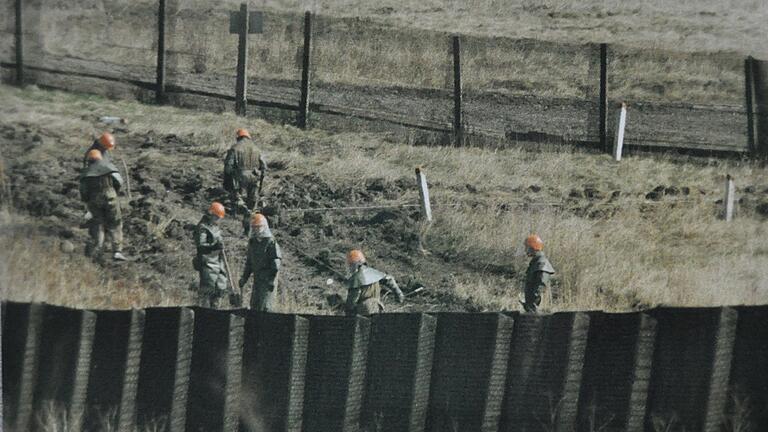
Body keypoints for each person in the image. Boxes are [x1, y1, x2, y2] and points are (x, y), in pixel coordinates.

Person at [79, 149, 126, 260]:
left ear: (90, 160)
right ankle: (117, 251)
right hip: (111, 196)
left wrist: (87, 201)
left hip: (95, 199)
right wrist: (114, 192)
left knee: (98, 224)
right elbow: (119, 181)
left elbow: (83, 190)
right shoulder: (109, 167)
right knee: (115, 223)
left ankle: (97, 248)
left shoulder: (86, 172)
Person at [223, 128, 267, 235]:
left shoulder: (235, 148)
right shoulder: (257, 149)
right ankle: (248, 227)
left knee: (239, 200)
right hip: (255, 178)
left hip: (240, 178)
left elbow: (228, 168)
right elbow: (264, 167)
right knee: (252, 204)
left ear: (238, 137)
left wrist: (229, 179)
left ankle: (240, 211)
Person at [239, 213, 281, 311]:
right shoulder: (252, 243)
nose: (256, 230)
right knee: (255, 306)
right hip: (257, 279)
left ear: (264, 227)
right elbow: (249, 263)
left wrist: (271, 280)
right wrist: (244, 278)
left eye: (259, 227)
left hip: (267, 281)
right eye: (254, 227)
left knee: (265, 307)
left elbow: (276, 263)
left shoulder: (271, 242)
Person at [344, 249, 404, 316]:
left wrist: (348, 311)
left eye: (350, 265)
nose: (350, 267)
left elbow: (352, 301)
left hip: (363, 311)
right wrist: (399, 294)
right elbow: (389, 279)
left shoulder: (356, 278)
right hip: (378, 307)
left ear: (354, 264)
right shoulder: (373, 272)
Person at [194, 202, 230, 307]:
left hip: (218, 263)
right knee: (207, 291)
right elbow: (200, 246)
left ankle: (215, 312)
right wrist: (214, 246)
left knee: (220, 289)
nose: (218, 220)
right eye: (217, 217)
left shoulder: (215, 227)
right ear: (211, 214)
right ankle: (204, 314)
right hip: (207, 264)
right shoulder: (202, 227)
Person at [522, 234, 555, 313]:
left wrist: (533, 306)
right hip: (533, 309)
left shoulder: (541, 264)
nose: (525, 250)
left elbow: (540, 288)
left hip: (538, 312)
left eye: (527, 247)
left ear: (533, 248)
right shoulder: (536, 263)